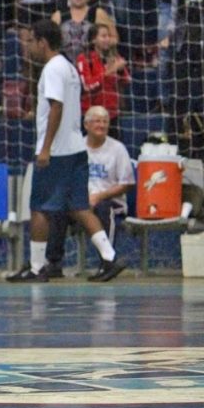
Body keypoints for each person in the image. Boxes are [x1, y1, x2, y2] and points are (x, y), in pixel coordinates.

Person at [6, 19, 123, 283]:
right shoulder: (69, 67)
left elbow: (56, 107)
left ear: (42, 42)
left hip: (57, 152)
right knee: (79, 207)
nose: (29, 46)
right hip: (76, 149)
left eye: (31, 41)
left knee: (39, 208)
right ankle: (110, 256)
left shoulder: (52, 69)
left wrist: (45, 148)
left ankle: (37, 268)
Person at [42, 104, 135, 279]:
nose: (101, 125)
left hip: (110, 200)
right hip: (79, 200)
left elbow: (127, 183)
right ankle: (53, 263)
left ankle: (107, 263)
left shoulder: (118, 149)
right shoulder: (76, 148)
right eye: (97, 121)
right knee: (57, 210)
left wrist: (98, 196)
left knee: (103, 208)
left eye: (105, 121)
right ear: (86, 125)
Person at [167, 0, 204, 159]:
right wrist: (168, 36)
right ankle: (178, 142)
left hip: (202, 48)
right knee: (180, 96)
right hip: (184, 47)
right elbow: (173, 18)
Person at [77, 23, 129, 138]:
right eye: (103, 36)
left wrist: (120, 70)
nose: (107, 39)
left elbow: (127, 81)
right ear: (94, 40)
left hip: (112, 115)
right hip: (92, 115)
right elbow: (87, 86)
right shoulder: (84, 58)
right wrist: (108, 72)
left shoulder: (114, 56)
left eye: (109, 36)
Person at [51, 0, 117, 63]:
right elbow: (50, 44)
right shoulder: (58, 15)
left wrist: (103, 42)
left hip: (92, 64)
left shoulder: (98, 13)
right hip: (65, 65)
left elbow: (115, 38)